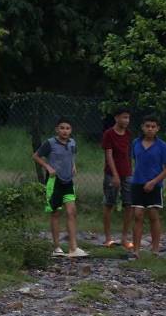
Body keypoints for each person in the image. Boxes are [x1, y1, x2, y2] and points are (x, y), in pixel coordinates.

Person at [33, 117, 89, 258]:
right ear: (57, 129)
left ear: (71, 130)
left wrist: (73, 165)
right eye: (62, 128)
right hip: (54, 182)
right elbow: (36, 156)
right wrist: (47, 167)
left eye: (67, 128)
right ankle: (57, 247)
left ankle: (73, 248)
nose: (65, 131)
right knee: (55, 213)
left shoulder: (72, 143)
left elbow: (72, 155)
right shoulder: (50, 143)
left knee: (71, 212)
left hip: (68, 182)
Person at [130, 115, 166, 258]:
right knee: (137, 215)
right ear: (142, 127)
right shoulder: (136, 143)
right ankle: (136, 250)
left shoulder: (162, 146)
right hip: (137, 183)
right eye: (147, 126)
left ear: (157, 129)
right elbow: (134, 161)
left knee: (153, 215)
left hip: (154, 184)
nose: (150, 129)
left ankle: (155, 249)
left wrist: (154, 182)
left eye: (153, 126)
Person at [101, 107, 134, 250]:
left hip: (127, 173)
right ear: (116, 118)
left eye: (128, 118)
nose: (126, 120)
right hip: (111, 173)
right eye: (123, 117)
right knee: (109, 204)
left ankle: (124, 238)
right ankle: (108, 238)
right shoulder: (109, 134)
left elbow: (129, 154)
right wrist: (115, 175)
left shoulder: (128, 134)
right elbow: (109, 155)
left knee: (129, 205)